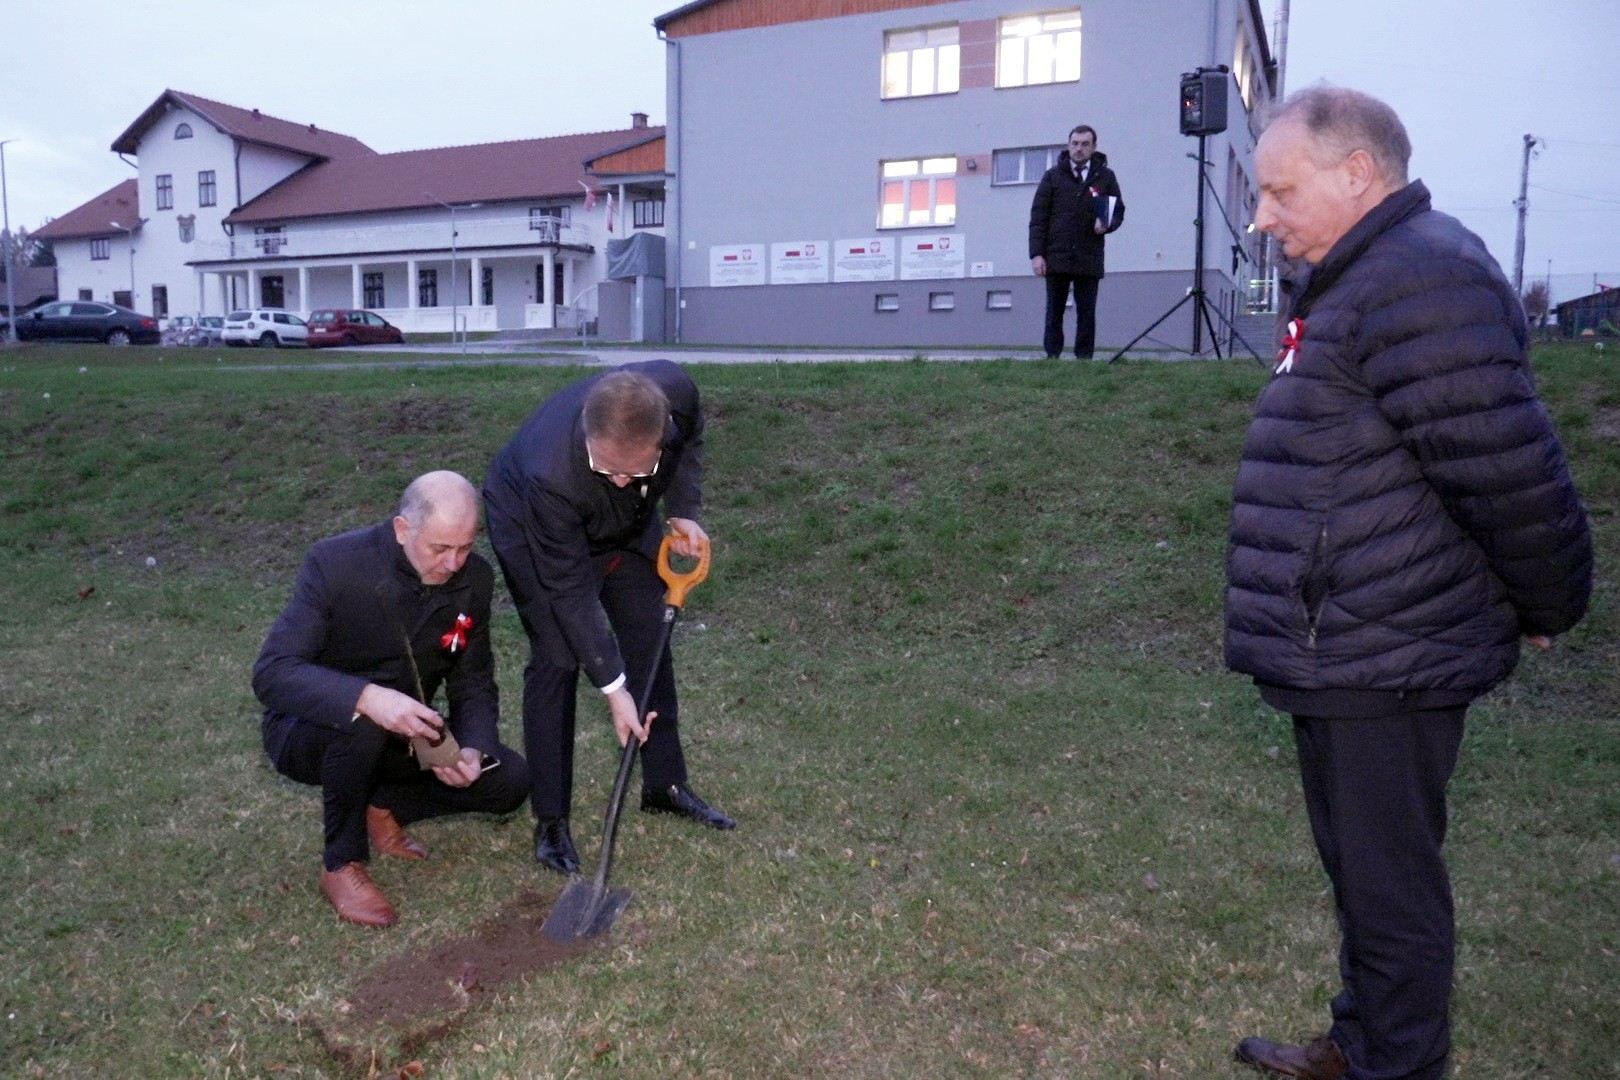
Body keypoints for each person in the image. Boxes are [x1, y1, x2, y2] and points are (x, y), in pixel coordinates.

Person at [1225, 87, 1592, 1080]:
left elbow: (1505, 467)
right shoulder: (1366, 277)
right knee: (1364, 874)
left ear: (1356, 174)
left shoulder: (1420, 279)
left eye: (1277, 192)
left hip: (1387, 645)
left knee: (1392, 889)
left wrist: (1550, 600)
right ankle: (1363, 1043)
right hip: (1346, 639)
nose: (1262, 218)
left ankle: (1396, 1066)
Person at [484, 360, 734, 876]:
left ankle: (665, 784)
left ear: (660, 435)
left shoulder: (676, 394)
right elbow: (571, 592)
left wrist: (683, 506)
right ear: (587, 434)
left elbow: (690, 446)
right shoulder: (548, 470)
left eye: (634, 472)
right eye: (609, 470)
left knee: (649, 635)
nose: (621, 479)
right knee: (557, 654)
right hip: (534, 528)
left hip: (625, 524)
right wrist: (613, 688)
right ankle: (552, 821)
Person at [253, 471, 530, 928]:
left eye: (464, 547)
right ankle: (341, 864)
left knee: (511, 781)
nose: (454, 564)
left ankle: (380, 805)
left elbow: (473, 680)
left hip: (407, 731)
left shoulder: (474, 580)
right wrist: (366, 696)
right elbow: (272, 673)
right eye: (440, 549)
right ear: (403, 530)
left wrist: (472, 747)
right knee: (363, 719)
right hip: (311, 731)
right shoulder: (336, 563)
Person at [1028, 124, 1125, 359]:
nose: (1078, 149)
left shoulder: (1105, 176)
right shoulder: (1052, 176)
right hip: (1056, 255)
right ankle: (1052, 357)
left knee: (1087, 312)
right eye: (1075, 143)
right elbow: (1038, 217)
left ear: (1094, 147)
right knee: (1054, 311)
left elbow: (1117, 210)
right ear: (1068, 145)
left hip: (1088, 255)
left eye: (1084, 144)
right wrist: (1037, 254)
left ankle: (1084, 359)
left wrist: (1107, 224)